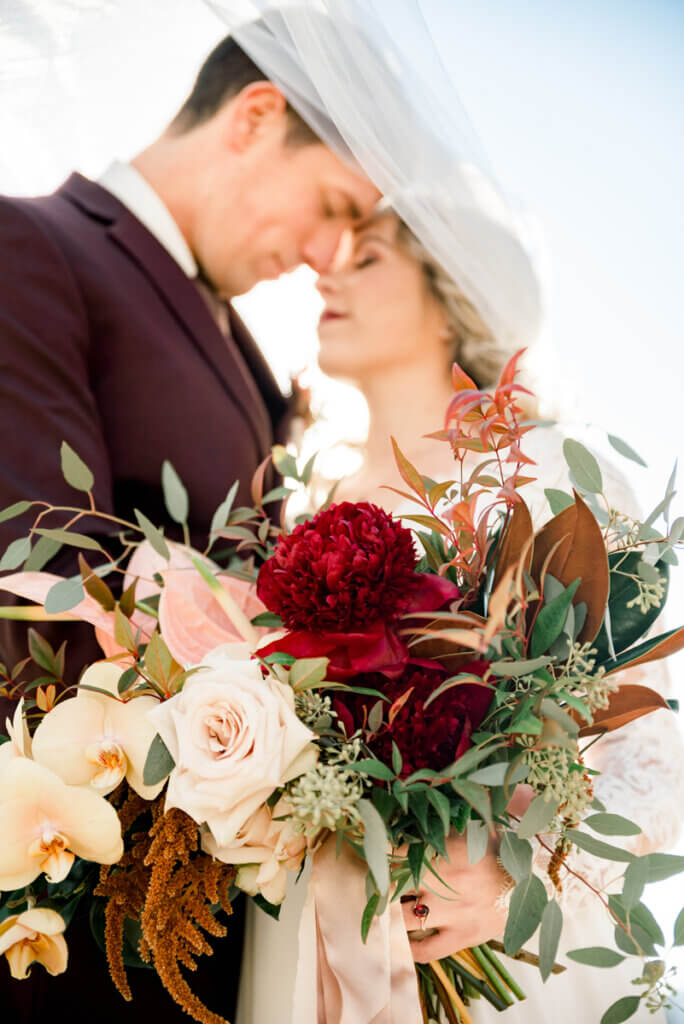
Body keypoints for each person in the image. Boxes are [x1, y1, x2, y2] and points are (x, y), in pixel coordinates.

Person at [0, 29, 379, 1022]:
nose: (321, 257)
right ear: (256, 117)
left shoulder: (242, 345)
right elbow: (38, 579)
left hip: (201, 930)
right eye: (332, 209)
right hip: (80, 925)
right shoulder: (35, 242)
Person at [238, 209, 683, 1023]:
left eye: (366, 259)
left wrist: (523, 871)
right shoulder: (309, 510)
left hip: (502, 952)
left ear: (451, 293)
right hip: (320, 944)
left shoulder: (549, 476)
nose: (326, 277)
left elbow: (649, 752)